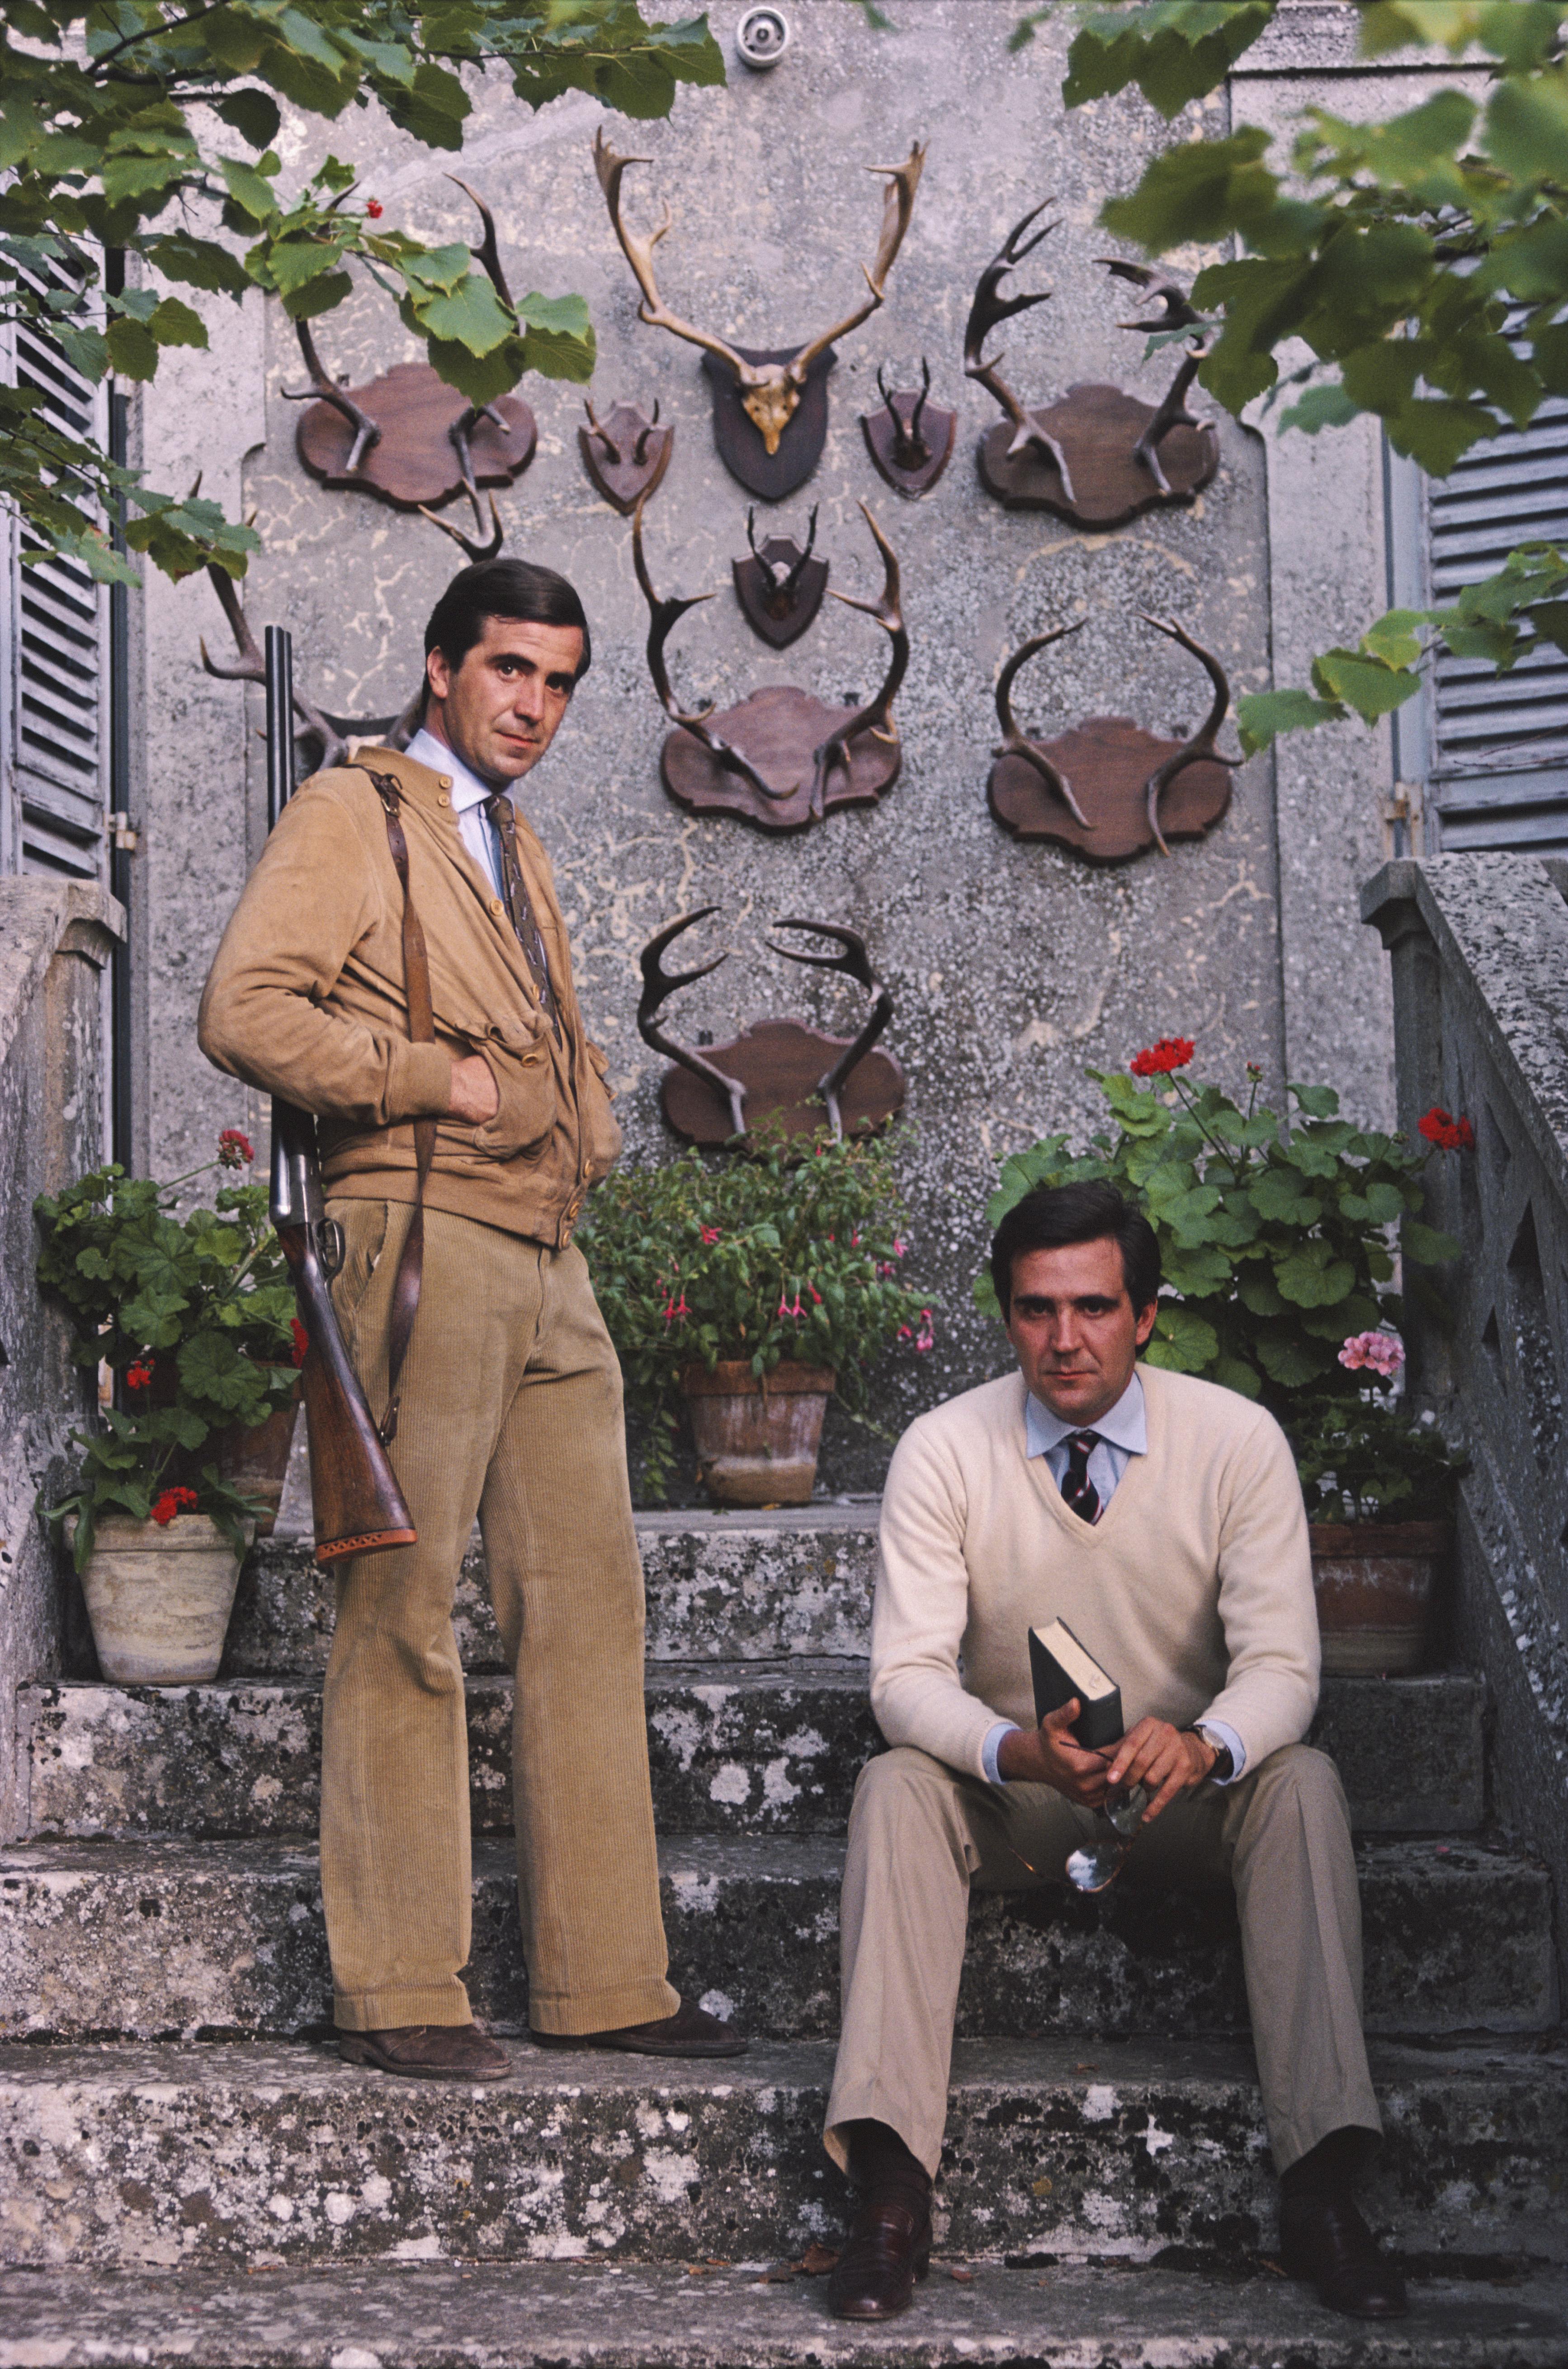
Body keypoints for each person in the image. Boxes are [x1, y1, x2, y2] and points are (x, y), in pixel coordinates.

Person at [199, 557, 745, 2076]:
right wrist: (431, 1077)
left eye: (560, 680)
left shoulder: (513, 837)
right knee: (404, 1604)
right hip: (422, 1235)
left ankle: (605, 1974)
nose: (534, 704)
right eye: (510, 669)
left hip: (547, 1246)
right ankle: (400, 1984)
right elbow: (245, 1007)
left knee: (587, 1605)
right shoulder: (355, 810)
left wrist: (583, 1128)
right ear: (440, 665)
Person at [820, 1179, 1404, 2322]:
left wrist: (1206, 1743)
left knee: (1304, 1784)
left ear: (1145, 1315)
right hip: (1023, 1800)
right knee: (895, 1788)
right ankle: (889, 2191)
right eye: (1036, 1310)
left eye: (1094, 1308)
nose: (1064, 1339)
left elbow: (1287, 1666)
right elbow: (902, 1682)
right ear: (1006, 1317)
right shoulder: (945, 1450)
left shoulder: (1236, 1442)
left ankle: (1325, 2183)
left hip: (1185, 1795)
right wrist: (1014, 1753)